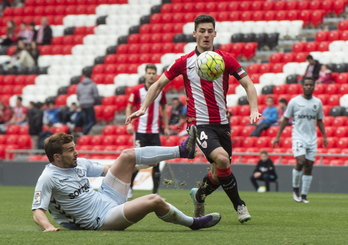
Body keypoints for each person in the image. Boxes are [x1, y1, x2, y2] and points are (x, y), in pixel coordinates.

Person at [126, 14, 262, 223]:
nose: (206, 35)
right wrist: (143, 107)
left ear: (215, 33)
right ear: (194, 33)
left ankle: (199, 196)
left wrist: (254, 109)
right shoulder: (184, 62)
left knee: (219, 174)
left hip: (222, 124)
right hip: (199, 124)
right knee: (223, 159)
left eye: (210, 31)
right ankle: (240, 205)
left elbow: (249, 84)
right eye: (202, 31)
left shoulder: (225, 59)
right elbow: (159, 84)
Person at [31, 130, 221, 231]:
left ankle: (182, 151)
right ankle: (193, 223)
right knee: (153, 200)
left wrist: (133, 165)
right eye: (70, 150)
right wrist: (48, 228)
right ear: (57, 157)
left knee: (127, 155)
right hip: (101, 220)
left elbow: (109, 170)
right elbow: (37, 210)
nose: (76, 152)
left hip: (106, 197)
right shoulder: (48, 178)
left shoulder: (79, 163)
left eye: (74, 147)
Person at [272, 77, 328, 203]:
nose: (308, 87)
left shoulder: (317, 102)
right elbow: (286, 119)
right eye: (306, 85)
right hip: (298, 137)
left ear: (314, 86)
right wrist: (278, 136)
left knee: (309, 166)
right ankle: (295, 189)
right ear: (303, 86)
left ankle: (304, 195)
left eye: (311, 85)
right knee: (301, 161)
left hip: (312, 139)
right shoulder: (294, 102)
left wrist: (324, 136)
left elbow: (319, 120)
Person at [126, 64, 170, 199]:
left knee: (156, 162)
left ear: (156, 75)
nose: (151, 75)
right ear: (145, 75)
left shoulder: (161, 91)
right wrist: (129, 124)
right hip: (140, 132)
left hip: (155, 132)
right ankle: (130, 189)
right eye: (149, 73)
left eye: (153, 73)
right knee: (137, 161)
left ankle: (155, 192)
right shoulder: (136, 91)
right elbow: (129, 107)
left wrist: (166, 127)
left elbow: (163, 109)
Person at [76, 70, 99, 135]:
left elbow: (78, 95)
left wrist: (81, 101)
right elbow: (96, 95)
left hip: (82, 104)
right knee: (92, 121)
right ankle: (84, 133)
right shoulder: (92, 84)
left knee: (86, 121)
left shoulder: (80, 84)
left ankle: (84, 134)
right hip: (89, 104)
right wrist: (95, 102)